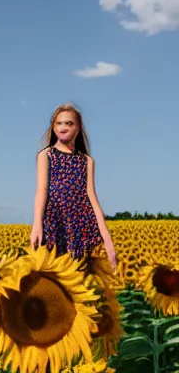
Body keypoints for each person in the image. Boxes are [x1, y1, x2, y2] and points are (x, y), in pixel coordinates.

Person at [30, 103, 118, 267]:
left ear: (78, 127)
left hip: (82, 226)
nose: (63, 127)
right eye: (59, 123)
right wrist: (36, 224)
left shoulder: (87, 161)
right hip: (55, 222)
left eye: (69, 123)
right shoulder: (46, 155)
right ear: (53, 127)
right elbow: (41, 191)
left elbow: (91, 196)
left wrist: (107, 237)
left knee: (82, 275)